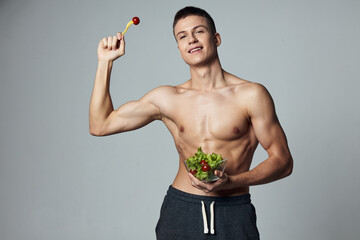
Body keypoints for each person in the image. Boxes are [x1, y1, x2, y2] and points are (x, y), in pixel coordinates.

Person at [89, 6, 293, 240]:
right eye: (182, 36)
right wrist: (105, 63)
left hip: (233, 211)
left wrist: (232, 182)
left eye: (199, 32)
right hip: (182, 209)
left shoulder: (251, 95)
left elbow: (283, 161)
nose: (191, 40)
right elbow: (100, 125)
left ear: (216, 38)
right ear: (179, 48)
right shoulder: (168, 98)